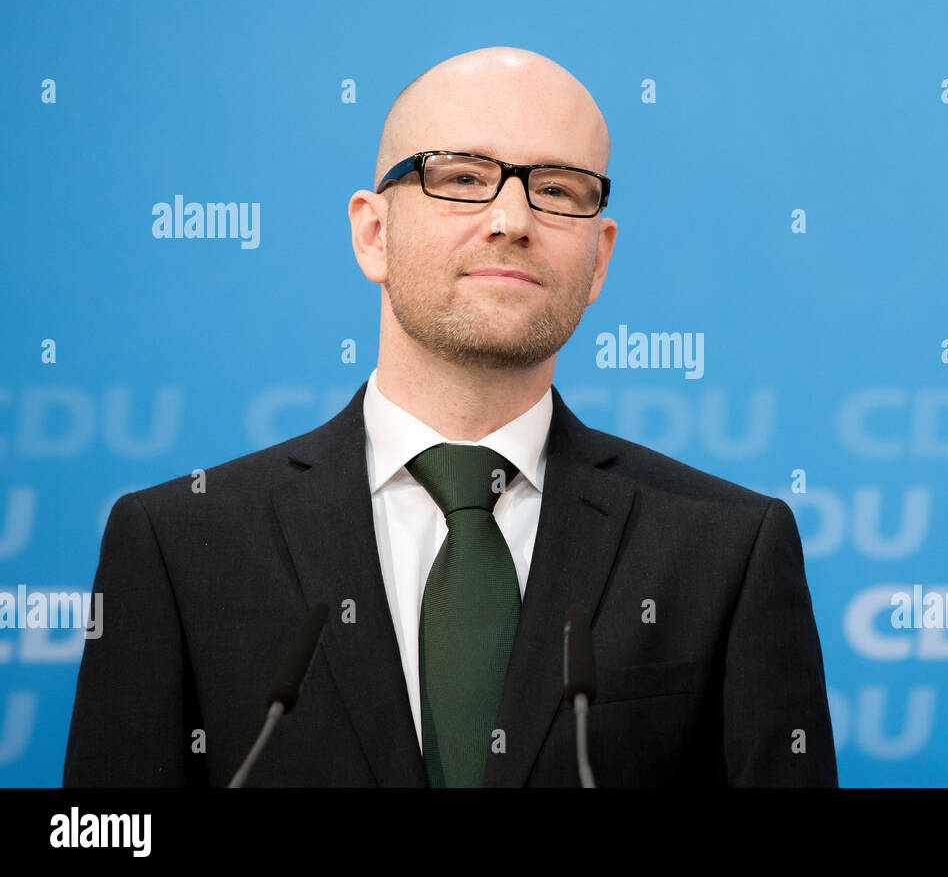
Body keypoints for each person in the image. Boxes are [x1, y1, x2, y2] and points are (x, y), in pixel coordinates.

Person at [63, 47, 838, 787]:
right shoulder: (180, 544)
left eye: (559, 189)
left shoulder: (726, 548)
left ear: (599, 259)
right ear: (373, 233)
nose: (511, 218)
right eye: (462, 177)